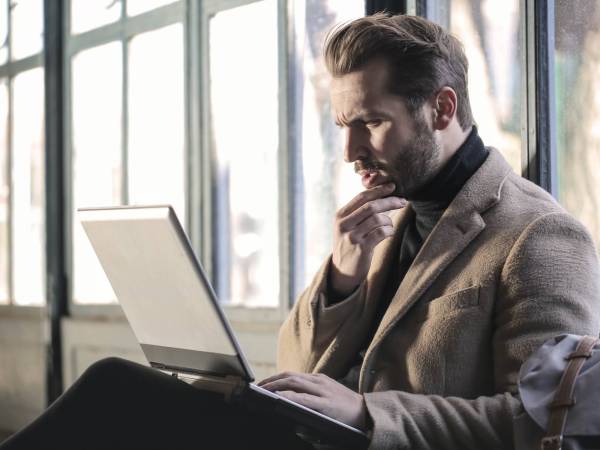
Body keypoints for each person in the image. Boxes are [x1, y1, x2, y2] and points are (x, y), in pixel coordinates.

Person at [2, 13, 599, 450]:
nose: (350, 150)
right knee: (120, 391)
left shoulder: (540, 235)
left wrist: (370, 414)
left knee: (119, 397)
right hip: (306, 438)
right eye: (344, 124)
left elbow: (547, 422)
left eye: (370, 122)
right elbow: (293, 364)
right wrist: (341, 277)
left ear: (442, 110)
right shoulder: (384, 216)